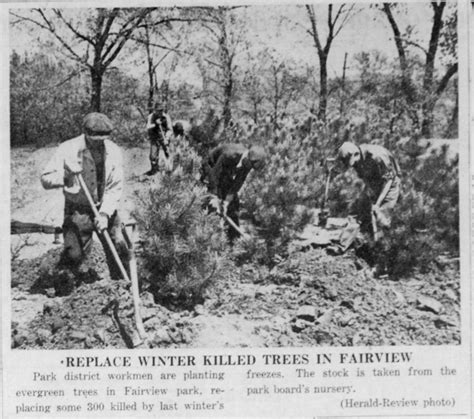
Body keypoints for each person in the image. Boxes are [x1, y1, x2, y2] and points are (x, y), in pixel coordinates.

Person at [41, 112, 128, 283]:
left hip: (104, 206)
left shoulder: (113, 151)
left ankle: (121, 286)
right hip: (77, 208)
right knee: (74, 254)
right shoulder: (68, 149)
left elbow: (114, 187)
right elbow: (46, 178)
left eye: (102, 140)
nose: (99, 143)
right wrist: (66, 176)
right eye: (94, 139)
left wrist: (104, 214)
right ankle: (77, 292)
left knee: (118, 246)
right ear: (85, 133)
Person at [336, 141, 401, 239]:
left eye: (352, 162)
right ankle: (343, 244)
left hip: (390, 184)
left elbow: (388, 180)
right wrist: (369, 195)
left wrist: (377, 204)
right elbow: (365, 178)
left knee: (381, 216)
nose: (354, 166)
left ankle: (380, 247)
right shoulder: (357, 160)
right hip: (373, 183)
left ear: (355, 154)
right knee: (357, 211)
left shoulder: (377, 155)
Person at [203, 143, 266, 241]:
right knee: (212, 205)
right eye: (251, 166)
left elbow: (238, 182)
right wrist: (214, 197)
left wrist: (226, 203)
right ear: (248, 158)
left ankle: (234, 241)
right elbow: (214, 176)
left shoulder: (247, 163)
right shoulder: (229, 155)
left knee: (233, 205)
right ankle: (208, 236)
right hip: (211, 167)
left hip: (224, 173)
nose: (250, 169)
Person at [146, 102, 172, 175]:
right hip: (154, 138)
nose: (160, 112)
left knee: (168, 153)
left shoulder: (166, 117)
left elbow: (170, 129)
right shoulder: (151, 116)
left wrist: (166, 138)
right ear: (155, 110)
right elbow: (148, 126)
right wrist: (155, 124)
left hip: (164, 137)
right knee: (153, 156)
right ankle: (154, 170)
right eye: (158, 110)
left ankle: (169, 170)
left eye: (161, 110)